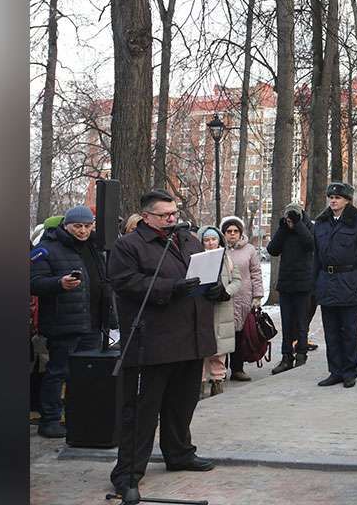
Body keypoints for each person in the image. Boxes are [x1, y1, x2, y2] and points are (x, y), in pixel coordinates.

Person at [108, 190, 219, 502]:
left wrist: (215, 289)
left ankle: (179, 453)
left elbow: (203, 275)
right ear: (146, 217)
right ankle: (128, 473)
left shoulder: (189, 240)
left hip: (191, 337)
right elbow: (125, 282)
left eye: (174, 213)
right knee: (142, 412)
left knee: (182, 403)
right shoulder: (129, 246)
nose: (172, 219)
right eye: (164, 215)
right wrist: (171, 288)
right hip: (153, 342)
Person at [29, 205, 104, 438]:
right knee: (58, 372)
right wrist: (59, 284)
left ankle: (79, 417)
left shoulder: (94, 247)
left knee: (86, 374)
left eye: (87, 226)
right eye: (77, 226)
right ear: (65, 226)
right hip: (63, 323)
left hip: (93, 322)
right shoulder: (47, 249)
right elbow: (33, 282)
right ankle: (50, 420)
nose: (83, 231)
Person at [312, 182, 357, 388]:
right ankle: (335, 371)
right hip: (326, 280)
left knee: (349, 329)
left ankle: (349, 371)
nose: (333, 201)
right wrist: (314, 282)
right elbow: (315, 256)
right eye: (331, 197)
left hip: (348, 280)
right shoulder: (321, 223)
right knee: (330, 330)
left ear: (347, 200)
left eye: (338, 198)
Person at [266, 202, 316, 375]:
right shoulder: (284, 231)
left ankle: (301, 354)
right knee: (286, 322)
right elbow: (272, 249)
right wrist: (283, 228)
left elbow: (310, 244)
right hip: (286, 283)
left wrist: (298, 224)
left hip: (304, 284)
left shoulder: (308, 227)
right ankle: (286, 356)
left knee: (302, 322)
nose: (289, 221)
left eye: (292, 217)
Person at [219, 216, 264, 382]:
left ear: (240, 232)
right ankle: (220, 371)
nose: (232, 234)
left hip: (243, 298)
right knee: (223, 334)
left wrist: (257, 295)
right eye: (228, 231)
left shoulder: (249, 250)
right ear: (223, 233)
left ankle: (237, 369)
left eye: (235, 231)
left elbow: (256, 272)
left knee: (239, 335)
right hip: (223, 298)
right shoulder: (218, 249)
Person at [197, 227, 238, 397]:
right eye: (206, 240)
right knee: (201, 348)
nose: (210, 243)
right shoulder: (197, 258)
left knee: (220, 349)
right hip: (202, 308)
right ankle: (199, 383)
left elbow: (237, 280)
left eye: (213, 239)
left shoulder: (227, 258)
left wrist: (226, 292)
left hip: (222, 308)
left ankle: (217, 381)